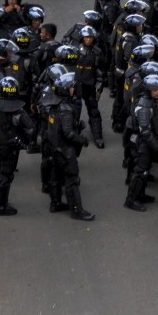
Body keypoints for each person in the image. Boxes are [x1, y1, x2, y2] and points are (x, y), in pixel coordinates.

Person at [47, 73, 95, 220]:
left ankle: (55, 203)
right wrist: (82, 140)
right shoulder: (66, 109)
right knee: (72, 179)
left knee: (55, 176)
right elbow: (68, 133)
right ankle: (76, 210)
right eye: (70, 87)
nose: (73, 89)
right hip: (65, 150)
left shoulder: (53, 104)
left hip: (55, 147)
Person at [0, 77, 35, 216]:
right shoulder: (19, 112)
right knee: (5, 175)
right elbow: (31, 129)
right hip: (9, 147)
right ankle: (1, 207)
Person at [124, 74, 158, 212]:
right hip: (141, 143)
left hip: (147, 142)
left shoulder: (153, 102)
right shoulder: (144, 107)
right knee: (140, 171)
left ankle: (140, 194)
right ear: (148, 90)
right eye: (156, 89)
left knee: (145, 171)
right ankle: (131, 200)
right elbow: (145, 131)